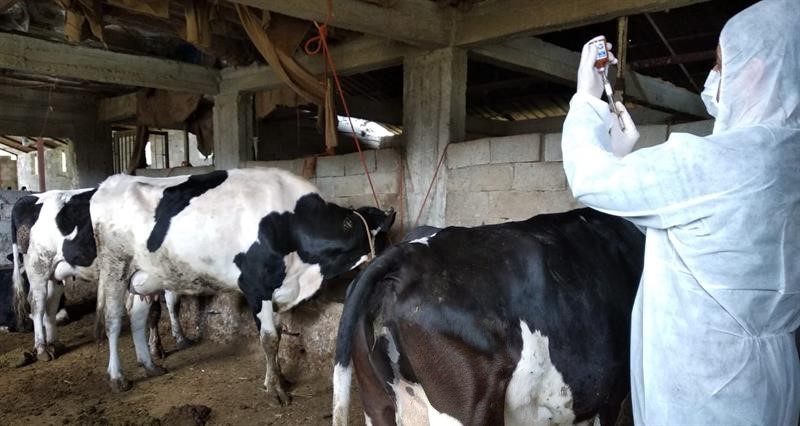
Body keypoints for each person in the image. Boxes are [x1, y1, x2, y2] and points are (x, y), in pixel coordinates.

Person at [561, 0, 800, 424]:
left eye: (720, 64)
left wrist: (587, 100)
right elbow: (702, 234)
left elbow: (590, 180)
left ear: (757, 69)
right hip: (774, 376)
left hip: (706, 388)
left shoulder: (719, 163)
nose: (714, 77)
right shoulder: (786, 159)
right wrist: (622, 157)